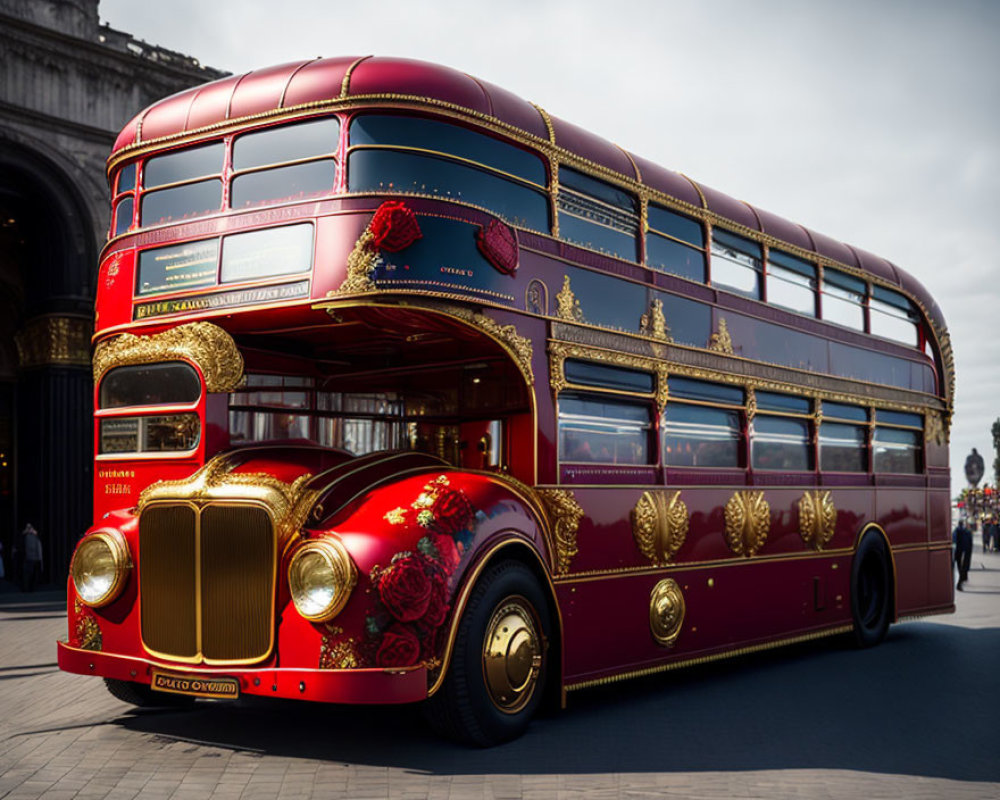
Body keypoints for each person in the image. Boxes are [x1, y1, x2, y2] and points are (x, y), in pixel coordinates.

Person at [20, 523, 42, 593]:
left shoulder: (36, 536)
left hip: (34, 557)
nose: (29, 530)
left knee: (33, 574)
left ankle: (31, 588)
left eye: (30, 528)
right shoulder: (24, 536)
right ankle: (26, 588)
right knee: (27, 574)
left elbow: (39, 546)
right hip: (27, 557)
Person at [953, 518, 973, 591]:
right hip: (964, 552)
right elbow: (969, 544)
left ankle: (960, 582)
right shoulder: (967, 532)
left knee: (959, 568)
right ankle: (959, 583)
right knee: (962, 568)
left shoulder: (956, 531)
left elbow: (954, 541)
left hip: (959, 552)